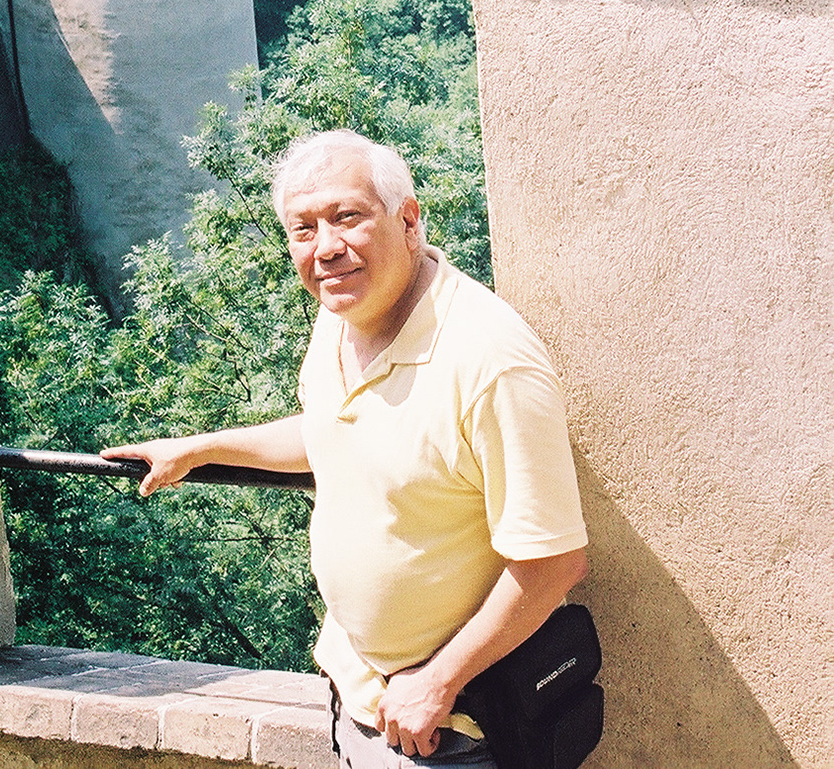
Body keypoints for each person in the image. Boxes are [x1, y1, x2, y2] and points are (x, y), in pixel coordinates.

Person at [103, 129, 588, 769]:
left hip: (449, 723)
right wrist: (199, 448)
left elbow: (554, 562)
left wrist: (436, 683)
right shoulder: (344, 318)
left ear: (408, 221)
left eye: (347, 217)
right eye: (303, 230)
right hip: (357, 694)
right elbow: (329, 429)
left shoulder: (488, 361)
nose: (327, 248)